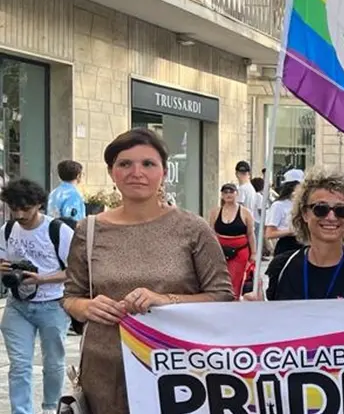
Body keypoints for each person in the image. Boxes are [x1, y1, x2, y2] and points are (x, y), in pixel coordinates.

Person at [61, 128, 233, 414]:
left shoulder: (193, 229)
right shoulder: (88, 230)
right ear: (111, 172)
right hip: (104, 371)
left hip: (178, 369)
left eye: (148, 164)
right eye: (125, 164)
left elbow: (223, 296)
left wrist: (166, 300)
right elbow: (70, 297)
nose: (136, 172)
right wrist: (86, 306)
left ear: (164, 172)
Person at [246, 170, 344, 305]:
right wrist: (259, 309)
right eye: (320, 209)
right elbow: (274, 323)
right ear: (305, 214)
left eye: (341, 210)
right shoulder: (282, 267)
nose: (331, 217)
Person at [0, 178, 74, 414]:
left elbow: (77, 270)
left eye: (26, 208)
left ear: (39, 204)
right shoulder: (8, 230)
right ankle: (21, 411)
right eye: (15, 208)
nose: (20, 214)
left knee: (53, 363)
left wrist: (43, 278)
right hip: (17, 305)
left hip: (53, 304)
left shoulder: (57, 230)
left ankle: (50, 408)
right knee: (19, 365)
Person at [206, 184, 257, 299]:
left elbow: (250, 234)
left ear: (236, 194)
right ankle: (222, 300)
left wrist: (253, 253)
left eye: (231, 192)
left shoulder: (245, 213)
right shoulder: (215, 212)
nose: (228, 195)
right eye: (225, 192)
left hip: (240, 250)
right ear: (222, 195)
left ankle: (233, 301)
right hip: (220, 250)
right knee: (220, 279)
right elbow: (211, 233)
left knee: (235, 280)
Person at [264, 169, 304, 257]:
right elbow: (269, 233)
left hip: (303, 245)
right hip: (287, 245)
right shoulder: (279, 205)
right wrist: (290, 231)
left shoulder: (303, 204)